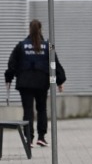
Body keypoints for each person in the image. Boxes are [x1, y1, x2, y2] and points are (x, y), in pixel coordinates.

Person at [4, 19, 66, 147]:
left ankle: (29, 139)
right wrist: (60, 81)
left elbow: (12, 64)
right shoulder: (48, 45)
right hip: (42, 82)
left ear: (29, 29)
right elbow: (55, 63)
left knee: (28, 110)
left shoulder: (21, 45)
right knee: (41, 109)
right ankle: (41, 137)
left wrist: (8, 78)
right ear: (40, 30)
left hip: (24, 83)